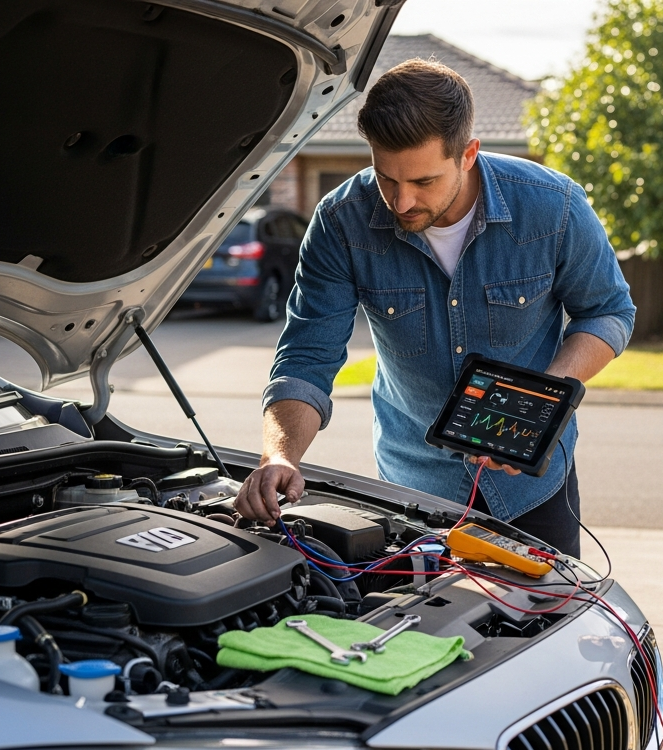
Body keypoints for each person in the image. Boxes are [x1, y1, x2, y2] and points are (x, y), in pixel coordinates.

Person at [234, 59, 636, 557]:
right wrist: (281, 455)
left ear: (468, 154)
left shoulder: (553, 206)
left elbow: (610, 312)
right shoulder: (342, 222)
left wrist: (539, 403)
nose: (401, 202)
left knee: (541, 625)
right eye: (386, 179)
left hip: (531, 491)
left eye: (423, 182)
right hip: (411, 489)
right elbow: (306, 357)